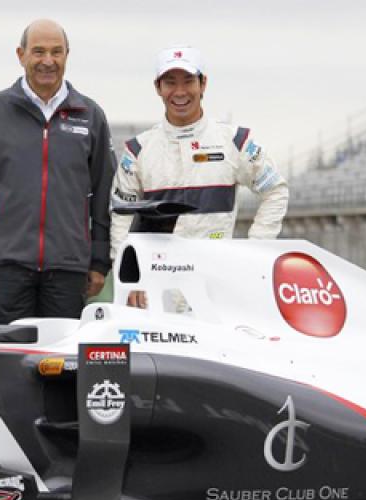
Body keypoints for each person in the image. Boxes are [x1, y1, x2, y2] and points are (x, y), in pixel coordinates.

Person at [0, 19, 116, 327]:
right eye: (39, 51)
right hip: (7, 268)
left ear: (67, 55)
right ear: (21, 55)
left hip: (69, 270)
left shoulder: (90, 116)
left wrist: (99, 261)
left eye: (56, 52)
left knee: (62, 355)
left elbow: (104, 195)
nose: (48, 61)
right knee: (6, 354)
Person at [110, 45, 289, 307]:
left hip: (217, 285)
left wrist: (255, 250)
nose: (180, 91)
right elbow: (121, 217)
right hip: (155, 289)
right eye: (170, 82)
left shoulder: (234, 140)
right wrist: (129, 276)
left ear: (203, 84)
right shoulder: (138, 150)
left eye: (188, 81)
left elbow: (276, 191)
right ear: (158, 87)